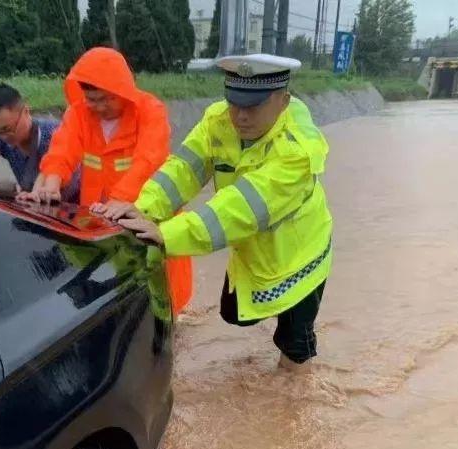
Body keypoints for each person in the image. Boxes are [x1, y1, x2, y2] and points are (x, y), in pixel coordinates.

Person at [95, 54, 333, 372]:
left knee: (295, 343)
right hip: (254, 248)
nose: (240, 116)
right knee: (233, 313)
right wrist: (143, 210)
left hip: (298, 254)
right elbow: (183, 169)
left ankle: (296, 393)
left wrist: (166, 235)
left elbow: (240, 209)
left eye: (253, 106)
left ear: (283, 100)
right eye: (234, 102)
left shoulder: (298, 151)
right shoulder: (218, 121)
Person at [22, 47, 193, 314]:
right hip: (101, 218)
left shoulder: (150, 111)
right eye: (92, 99)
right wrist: (52, 181)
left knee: (161, 287)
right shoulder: (79, 113)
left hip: (146, 213)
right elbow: (62, 149)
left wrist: (120, 201)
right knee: (112, 285)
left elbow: (149, 160)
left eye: (106, 99)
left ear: (123, 90)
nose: (99, 107)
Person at [0, 83, 79, 199]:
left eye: (8, 129)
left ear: (25, 111)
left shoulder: (56, 133)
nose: (4, 136)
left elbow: (52, 169)